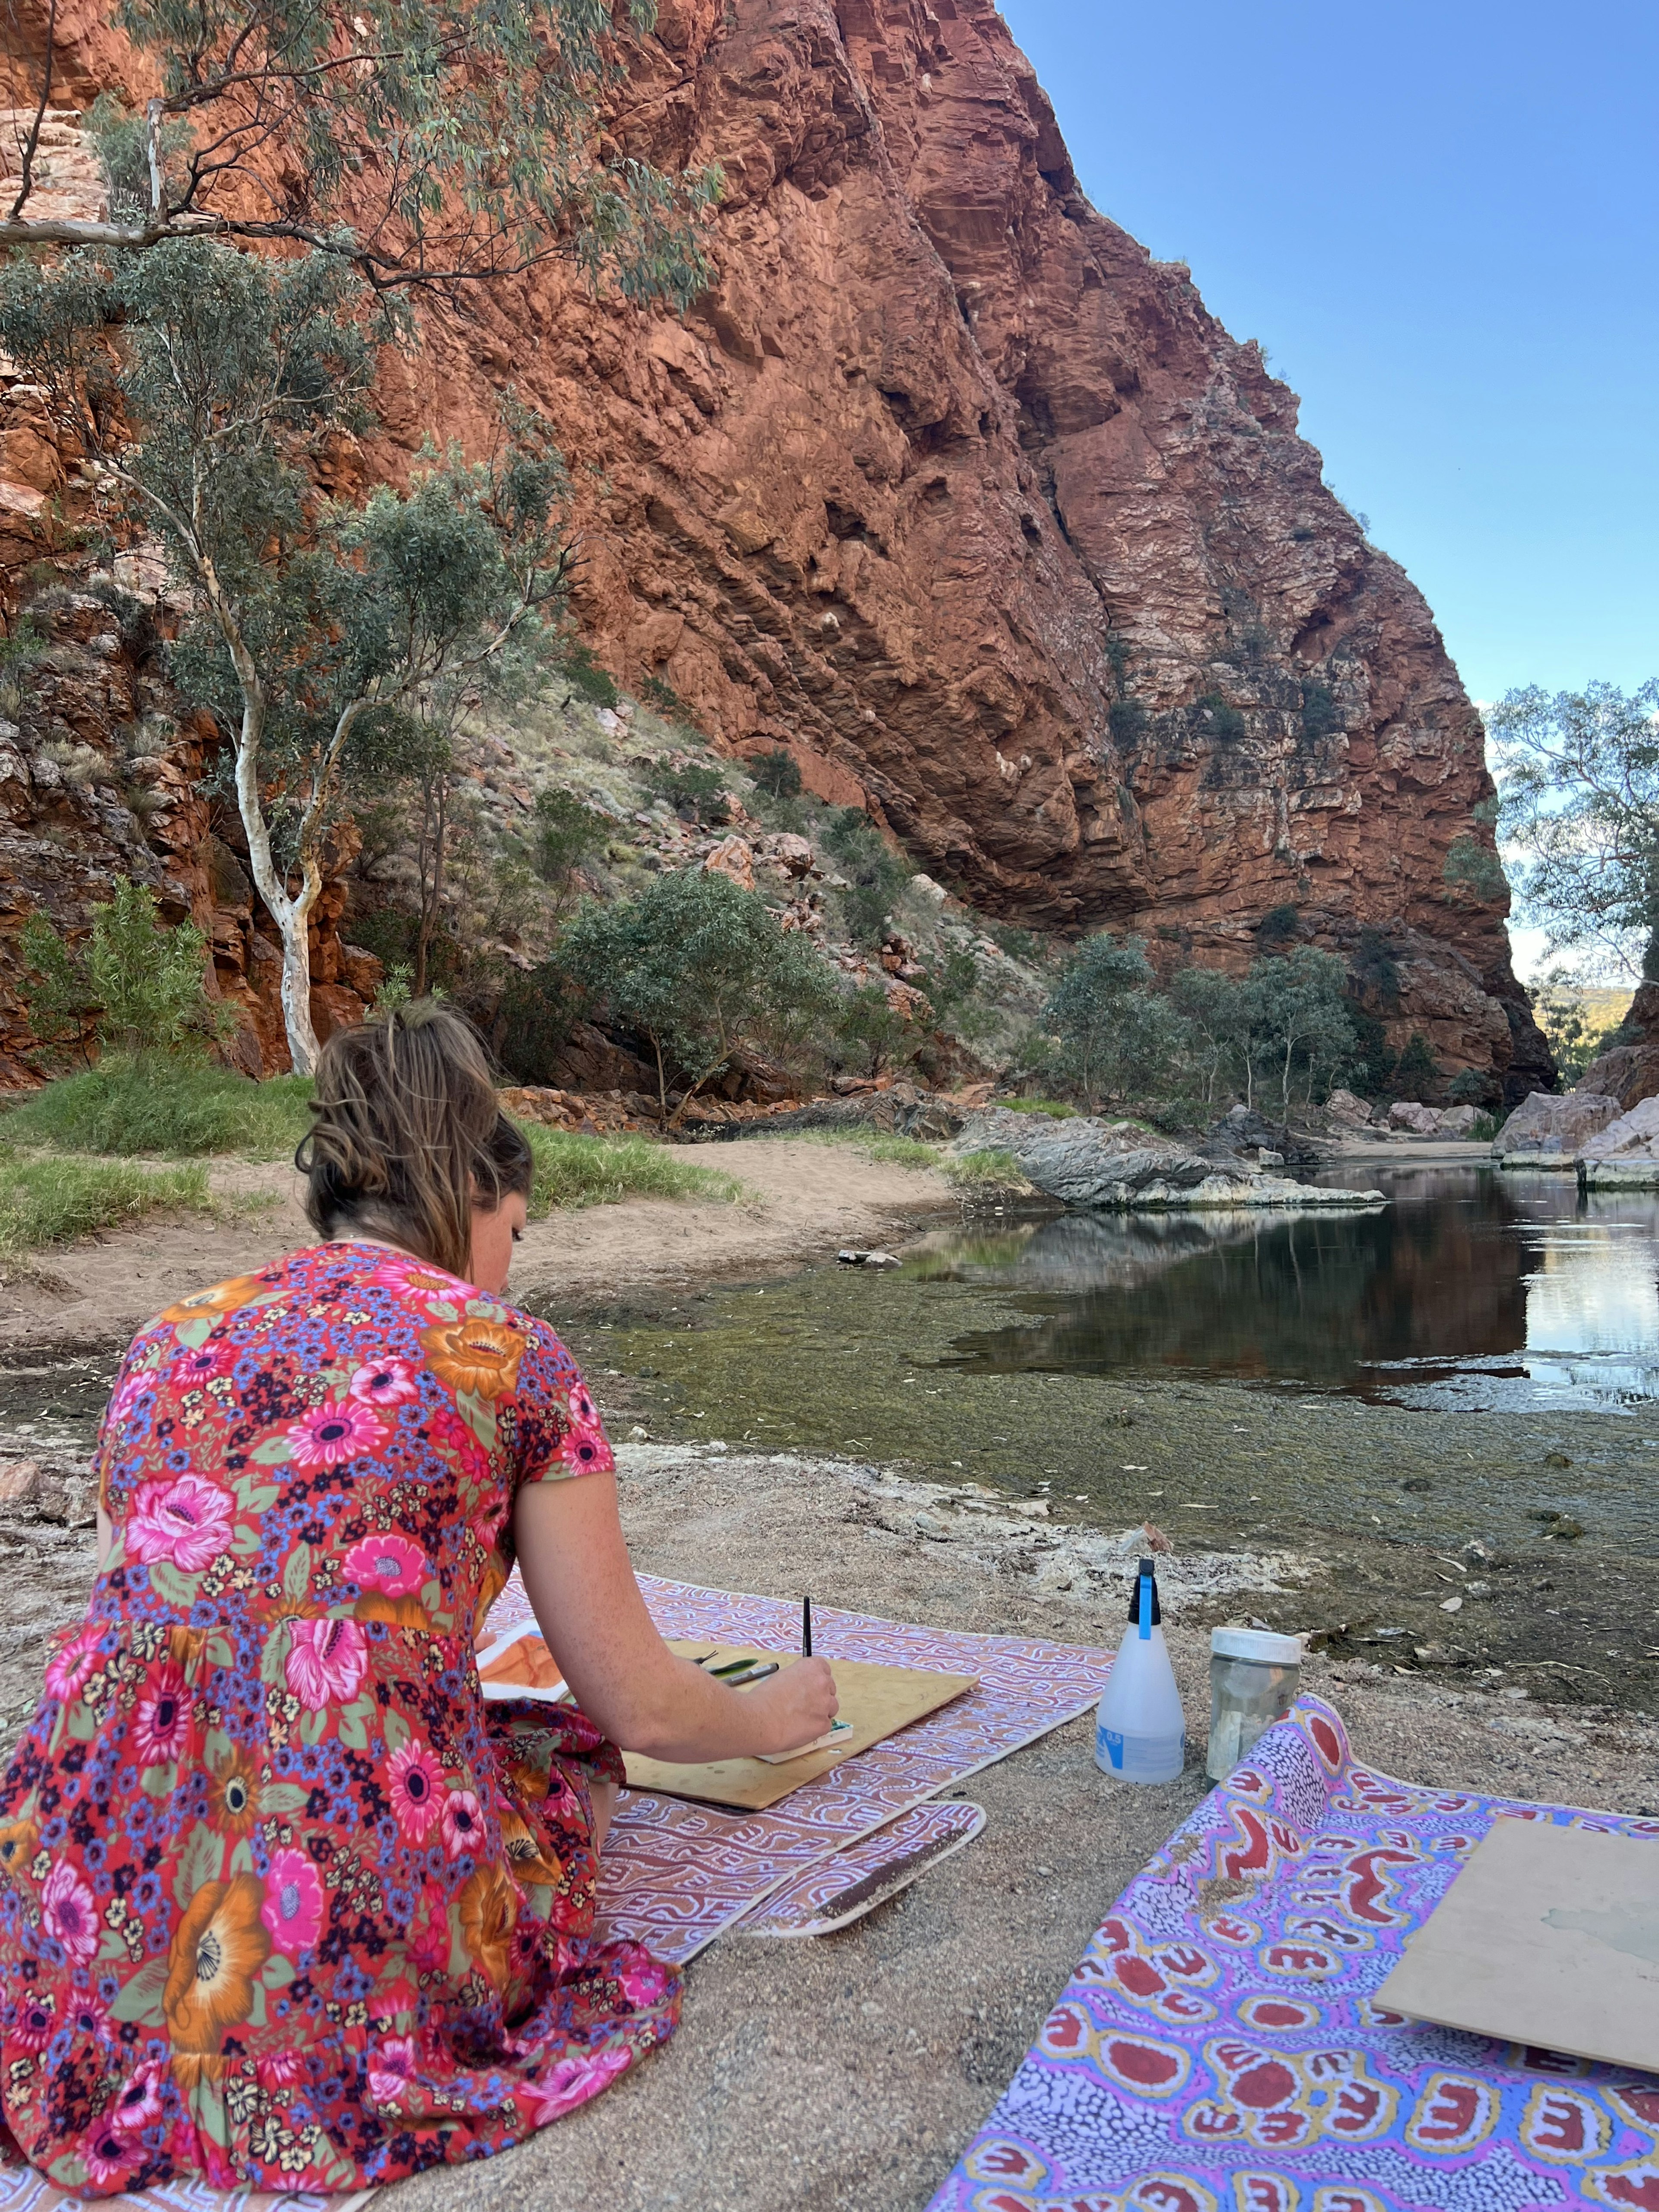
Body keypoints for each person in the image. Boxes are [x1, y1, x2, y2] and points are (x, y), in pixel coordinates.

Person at [0, 1004, 836, 2196]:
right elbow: (643, 1706)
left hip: (83, 1874)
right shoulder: (509, 1353)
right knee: (564, 1753)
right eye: (516, 1232)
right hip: (337, 1921)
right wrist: (779, 1713)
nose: (512, 1263)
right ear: (471, 1196)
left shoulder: (166, 1338)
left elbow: (146, 1629)